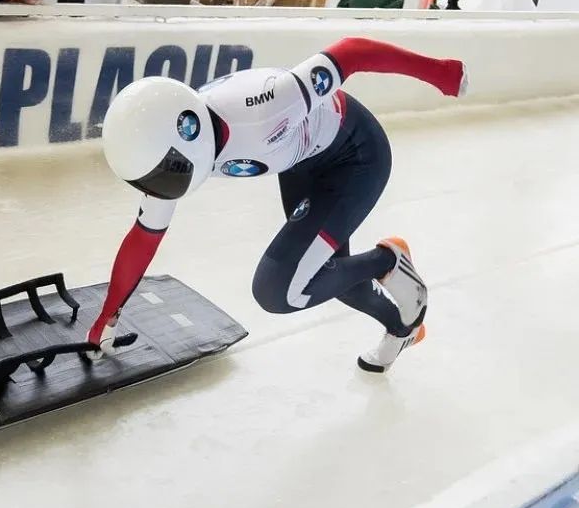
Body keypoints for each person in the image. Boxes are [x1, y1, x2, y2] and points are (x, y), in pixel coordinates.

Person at [86, 37, 468, 373]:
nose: (161, 192)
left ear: (189, 132)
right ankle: (405, 327)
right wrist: (109, 314)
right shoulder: (174, 145)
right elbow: (144, 237)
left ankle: (388, 260)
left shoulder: (265, 104)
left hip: (358, 156)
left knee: (282, 289)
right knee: (330, 279)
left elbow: (352, 52)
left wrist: (440, 73)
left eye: (164, 176)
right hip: (303, 160)